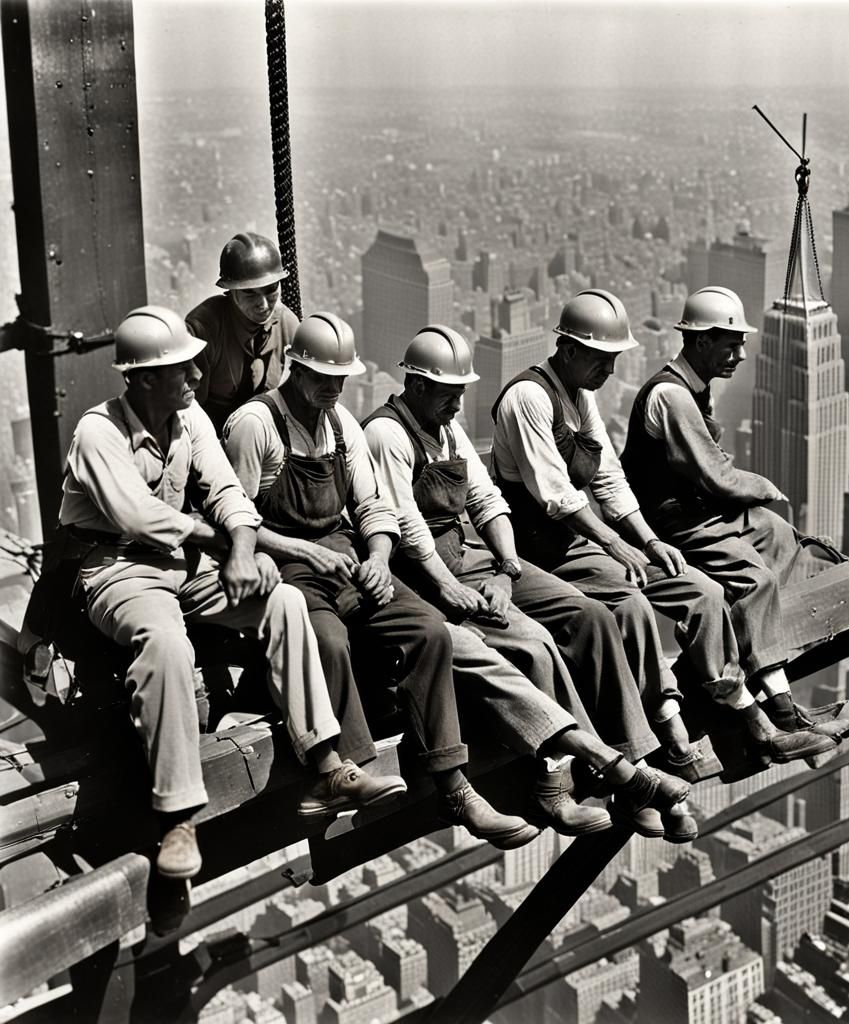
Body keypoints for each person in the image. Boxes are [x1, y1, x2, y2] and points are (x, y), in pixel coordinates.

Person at [57, 305, 405, 881]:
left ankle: (326, 762)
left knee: (286, 601)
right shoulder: (98, 431)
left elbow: (226, 493)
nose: (197, 379)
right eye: (182, 370)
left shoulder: (188, 418)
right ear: (144, 379)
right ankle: (178, 818)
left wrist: (244, 553)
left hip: (183, 560)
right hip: (117, 566)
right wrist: (217, 544)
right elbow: (135, 516)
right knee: (166, 646)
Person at [222, 311, 553, 847]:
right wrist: (304, 551)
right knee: (326, 639)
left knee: (429, 631)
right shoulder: (256, 426)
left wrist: (378, 557)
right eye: (323, 379)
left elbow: (373, 507)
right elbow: (236, 522)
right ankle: (352, 773)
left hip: (347, 560)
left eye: (341, 380)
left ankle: (454, 784)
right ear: (295, 370)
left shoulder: (340, 424)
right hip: (286, 567)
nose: (333, 389)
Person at [363, 325, 686, 838]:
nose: (457, 405)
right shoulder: (387, 433)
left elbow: (486, 500)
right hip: (422, 576)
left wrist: (506, 567)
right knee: (534, 644)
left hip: (469, 559)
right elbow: (407, 527)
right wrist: (450, 588)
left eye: (461, 394)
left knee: (591, 616)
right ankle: (557, 783)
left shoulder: (447, 426)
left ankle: (634, 758)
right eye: (448, 394)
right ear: (417, 386)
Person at [491, 289, 835, 766]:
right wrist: (616, 543)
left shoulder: (579, 396)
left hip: (591, 539)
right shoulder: (529, 397)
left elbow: (609, 478)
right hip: (545, 548)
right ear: (568, 349)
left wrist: (647, 542)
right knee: (637, 601)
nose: (609, 372)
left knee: (703, 593)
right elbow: (557, 496)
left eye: (614, 360)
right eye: (601, 359)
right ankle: (749, 724)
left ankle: (768, 706)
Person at [620, 285, 849, 741]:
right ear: (700, 342)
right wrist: (765, 488)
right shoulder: (671, 397)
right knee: (757, 580)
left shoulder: (695, 387)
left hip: (703, 509)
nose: (740, 354)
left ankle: (760, 640)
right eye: (731, 344)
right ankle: (779, 703)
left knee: (778, 535)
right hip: (677, 521)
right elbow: (714, 475)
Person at [186, 232, 298, 434]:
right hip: (209, 436)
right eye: (250, 292)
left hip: (264, 433)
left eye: (271, 289)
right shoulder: (203, 330)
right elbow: (189, 412)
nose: (263, 305)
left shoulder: (287, 325)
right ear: (231, 290)